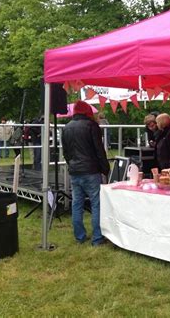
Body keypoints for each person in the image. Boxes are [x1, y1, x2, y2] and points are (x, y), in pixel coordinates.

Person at [62, 100, 110, 246]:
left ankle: (80, 236)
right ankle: (97, 237)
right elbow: (99, 150)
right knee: (96, 204)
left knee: (77, 204)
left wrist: (72, 164)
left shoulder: (66, 127)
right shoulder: (92, 126)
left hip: (75, 170)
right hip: (91, 170)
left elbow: (66, 151)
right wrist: (105, 168)